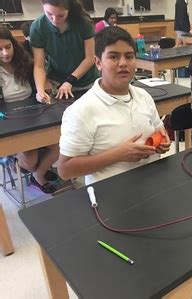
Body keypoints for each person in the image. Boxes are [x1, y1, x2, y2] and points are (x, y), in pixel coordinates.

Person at [57, 26, 171, 185]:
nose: (123, 63)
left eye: (129, 56)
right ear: (98, 62)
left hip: (151, 184)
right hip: (110, 195)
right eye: (114, 57)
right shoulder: (81, 111)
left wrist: (162, 140)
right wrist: (118, 155)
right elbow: (65, 170)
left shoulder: (143, 96)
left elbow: (159, 128)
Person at [0, 26, 59, 194]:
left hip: (31, 116)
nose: (5, 53)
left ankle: (38, 175)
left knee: (58, 146)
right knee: (30, 159)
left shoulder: (25, 64)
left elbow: (39, 87)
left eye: (7, 47)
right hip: (10, 123)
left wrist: (41, 94)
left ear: (13, 44)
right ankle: (12, 159)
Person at [30, 0, 98, 102]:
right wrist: (40, 91)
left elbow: (90, 58)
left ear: (69, 9)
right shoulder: (38, 27)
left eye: (61, 15)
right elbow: (39, 65)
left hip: (86, 82)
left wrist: (70, 80)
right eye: (49, 14)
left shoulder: (83, 22)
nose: (54, 20)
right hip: (59, 83)